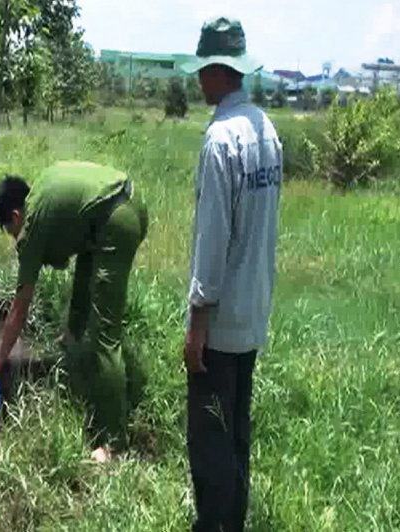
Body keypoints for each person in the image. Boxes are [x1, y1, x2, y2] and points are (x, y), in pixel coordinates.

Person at [180, 17, 283, 531]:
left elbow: (213, 239)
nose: (199, 80)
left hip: (220, 325)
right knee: (237, 432)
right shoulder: (267, 132)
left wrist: (198, 322)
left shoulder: (221, 140)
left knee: (209, 438)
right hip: (253, 311)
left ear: (221, 71)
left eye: (204, 70)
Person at [0, 161, 148, 462]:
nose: (14, 238)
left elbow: (20, 305)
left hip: (116, 220)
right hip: (125, 201)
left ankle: (114, 443)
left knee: (105, 337)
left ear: (16, 216)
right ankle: (73, 332)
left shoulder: (33, 227)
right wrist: (70, 329)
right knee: (86, 265)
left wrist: (1, 358)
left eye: (10, 231)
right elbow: (79, 251)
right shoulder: (42, 192)